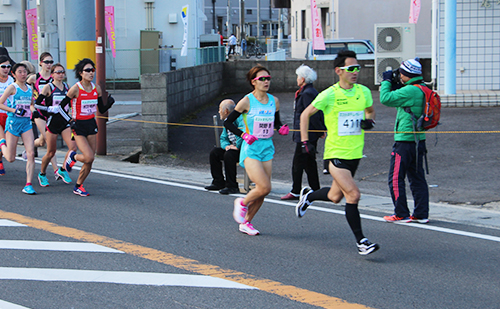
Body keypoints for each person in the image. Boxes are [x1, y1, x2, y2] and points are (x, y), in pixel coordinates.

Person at [296, 50, 379, 255]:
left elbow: (370, 110)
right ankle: (362, 241)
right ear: (338, 71)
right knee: (353, 194)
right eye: (351, 69)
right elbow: (305, 115)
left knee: (335, 196)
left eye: (357, 68)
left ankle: (309, 196)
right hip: (335, 154)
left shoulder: (364, 92)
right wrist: (305, 142)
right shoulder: (329, 94)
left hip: (355, 154)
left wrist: (369, 121)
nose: (355, 72)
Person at [224, 65, 289, 235]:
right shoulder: (246, 101)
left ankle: (246, 222)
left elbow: (276, 122)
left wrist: (281, 128)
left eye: (268, 78)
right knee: (264, 186)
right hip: (250, 148)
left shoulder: (274, 101)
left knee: (263, 192)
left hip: (267, 148)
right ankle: (242, 203)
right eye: (262, 79)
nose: (266, 81)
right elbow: (227, 122)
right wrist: (243, 135)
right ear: (254, 82)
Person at [379, 58, 429, 224]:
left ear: (407, 74)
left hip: (405, 141)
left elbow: (385, 98)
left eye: (401, 73)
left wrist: (386, 81)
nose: (399, 75)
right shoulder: (421, 88)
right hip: (418, 140)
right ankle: (421, 214)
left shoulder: (410, 91)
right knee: (417, 178)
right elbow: (398, 99)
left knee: (395, 178)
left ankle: (401, 213)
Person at [58, 58, 115, 196]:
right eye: (87, 70)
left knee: (91, 159)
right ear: (81, 73)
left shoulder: (97, 88)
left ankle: (78, 186)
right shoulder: (75, 89)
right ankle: (73, 156)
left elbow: (101, 109)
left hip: (91, 124)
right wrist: (70, 121)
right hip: (78, 125)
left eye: (92, 70)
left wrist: (109, 104)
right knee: (88, 157)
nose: (91, 73)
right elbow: (61, 107)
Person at [281, 64, 325, 200]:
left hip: (306, 134)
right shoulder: (309, 91)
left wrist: (320, 129)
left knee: (298, 163)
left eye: (298, 76)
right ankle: (316, 189)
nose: (297, 79)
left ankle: (295, 190)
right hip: (307, 133)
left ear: (303, 78)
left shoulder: (307, 93)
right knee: (309, 162)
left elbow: (313, 114)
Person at [33, 63, 75, 187]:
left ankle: (62, 170)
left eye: (62, 72)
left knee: (73, 148)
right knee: (51, 152)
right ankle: (42, 173)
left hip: (65, 122)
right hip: (52, 122)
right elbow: (36, 104)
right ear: (52, 74)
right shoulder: (48, 87)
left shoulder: (68, 87)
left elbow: (72, 103)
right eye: (58, 72)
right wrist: (50, 109)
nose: (61, 74)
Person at [0, 63, 37, 194]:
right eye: (20, 72)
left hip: (26, 123)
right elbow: (0, 103)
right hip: (13, 122)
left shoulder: (29, 88)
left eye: (25, 71)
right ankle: (2, 143)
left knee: (31, 153)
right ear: (14, 74)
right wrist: (14, 110)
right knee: (10, 158)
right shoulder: (12, 87)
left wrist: (34, 111)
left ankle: (28, 184)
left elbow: (31, 104)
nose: (23, 74)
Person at [26, 52, 59, 173]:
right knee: (49, 140)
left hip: (50, 111)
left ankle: (29, 147)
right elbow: (27, 92)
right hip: (38, 111)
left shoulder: (53, 78)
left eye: (51, 62)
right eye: (46, 62)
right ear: (40, 63)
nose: (49, 65)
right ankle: (56, 170)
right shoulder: (34, 78)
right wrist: (31, 108)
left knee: (42, 141)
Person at [205, 99, 244, 195]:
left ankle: (232, 185)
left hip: (243, 150)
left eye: (220, 109)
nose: (219, 112)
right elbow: (223, 138)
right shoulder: (227, 121)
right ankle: (218, 182)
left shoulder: (240, 119)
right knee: (215, 152)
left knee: (229, 155)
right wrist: (226, 146)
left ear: (226, 111)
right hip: (231, 148)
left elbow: (243, 133)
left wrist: (237, 146)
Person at [0, 55, 14, 175]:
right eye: (3, 66)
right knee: (1, 139)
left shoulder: (12, 81)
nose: (6, 69)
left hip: (8, 114)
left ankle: (0, 159)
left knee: (5, 143)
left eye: (8, 66)